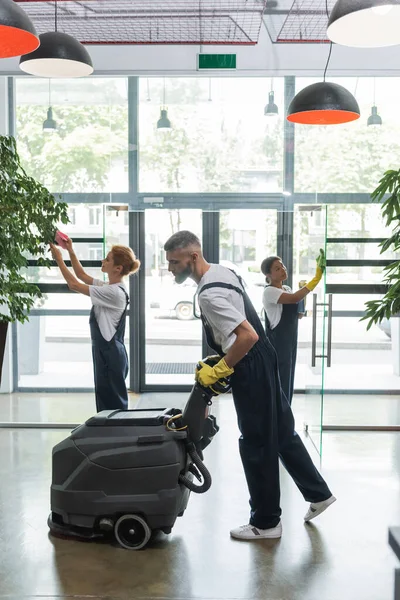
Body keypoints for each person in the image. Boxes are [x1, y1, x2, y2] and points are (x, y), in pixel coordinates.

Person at [163, 231, 335, 541]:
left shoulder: (207, 294)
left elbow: (245, 336)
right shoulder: (223, 271)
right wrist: (220, 361)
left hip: (250, 362)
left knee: (256, 442)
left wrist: (222, 368)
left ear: (193, 257)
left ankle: (266, 522)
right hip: (265, 357)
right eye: (169, 263)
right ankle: (318, 494)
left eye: (175, 262)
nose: (171, 269)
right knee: (282, 432)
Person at [50, 239, 140, 412]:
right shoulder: (109, 286)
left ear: (118, 268)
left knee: (113, 408)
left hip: (110, 356)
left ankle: (116, 438)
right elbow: (82, 276)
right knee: (106, 404)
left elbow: (74, 285)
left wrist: (59, 260)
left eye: (107, 259)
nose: (102, 261)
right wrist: (70, 250)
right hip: (107, 354)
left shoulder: (113, 292)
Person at [261, 251, 325, 406]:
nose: (283, 269)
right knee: (280, 381)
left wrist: (304, 297)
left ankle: (285, 419)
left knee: (288, 380)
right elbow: (295, 299)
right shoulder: (269, 291)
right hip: (277, 345)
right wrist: (315, 280)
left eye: (282, 265)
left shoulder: (287, 289)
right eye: (277, 268)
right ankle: (277, 422)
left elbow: (299, 314)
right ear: (268, 275)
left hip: (290, 343)